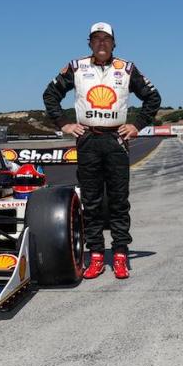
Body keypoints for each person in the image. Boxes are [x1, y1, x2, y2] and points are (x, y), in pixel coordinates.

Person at [43, 22, 161, 280]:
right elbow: (50, 94)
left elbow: (153, 98)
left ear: (113, 43)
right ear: (90, 43)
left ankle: (120, 253)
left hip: (117, 139)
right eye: (96, 39)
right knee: (91, 201)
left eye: (106, 39)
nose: (101, 44)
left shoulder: (127, 68)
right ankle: (95, 254)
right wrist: (64, 123)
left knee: (119, 200)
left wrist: (137, 124)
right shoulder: (76, 67)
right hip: (87, 139)